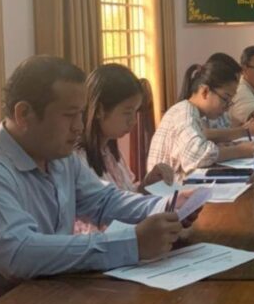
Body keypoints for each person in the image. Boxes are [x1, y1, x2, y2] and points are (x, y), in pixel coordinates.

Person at [0, 56, 185, 304]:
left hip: (52, 298)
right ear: (23, 114)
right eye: (69, 115)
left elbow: (104, 200)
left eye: (81, 114)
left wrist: (166, 206)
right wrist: (131, 243)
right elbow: (19, 254)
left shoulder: (59, 158)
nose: (79, 127)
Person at [73, 64, 180, 233]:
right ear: (100, 110)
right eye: (127, 112)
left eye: (135, 112)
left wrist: (147, 184)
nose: (133, 121)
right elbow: (93, 223)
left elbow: (126, 197)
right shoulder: (78, 160)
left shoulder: (110, 151)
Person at [147, 53, 254, 182]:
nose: (227, 107)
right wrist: (240, 150)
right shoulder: (184, 113)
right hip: (167, 191)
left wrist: (232, 146)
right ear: (205, 91)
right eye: (225, 99)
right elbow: (197, 155)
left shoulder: (195, 113)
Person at [195, 53, 254, 141]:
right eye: (234, 80)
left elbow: (232, 126)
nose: (237, 85)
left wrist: (253, 122)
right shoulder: (194, 112)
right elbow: (201, 134)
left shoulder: (221, 107)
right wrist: (245, 131)